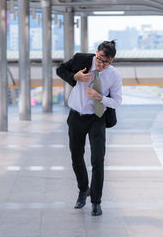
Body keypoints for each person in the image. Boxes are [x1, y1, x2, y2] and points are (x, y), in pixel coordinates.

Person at [56, 40, 122, 216]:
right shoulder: (81, 59)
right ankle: (83, 190)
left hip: (97, 118)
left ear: (112, 60)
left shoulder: (114, 76)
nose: (100, 64)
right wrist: (75, 77)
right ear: (96, 53)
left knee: (98, 160)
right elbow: (60, 69)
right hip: (76, 116)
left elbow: (117, 101)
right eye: (99, 59)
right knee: (76, 156)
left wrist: (100, 97)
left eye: (105, 62)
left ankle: (96, 201)